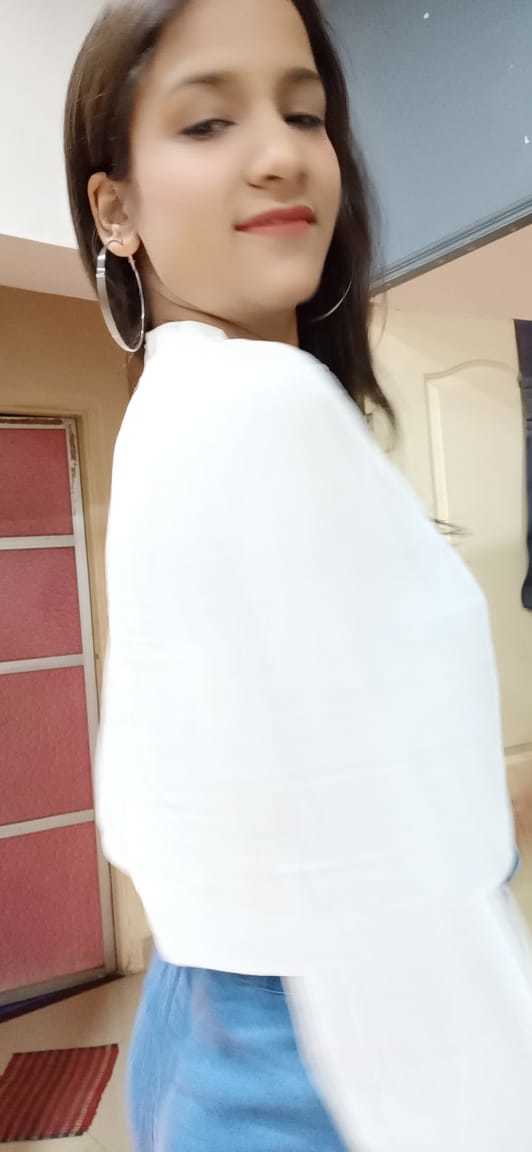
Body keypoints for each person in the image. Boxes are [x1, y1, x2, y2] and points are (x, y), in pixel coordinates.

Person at [63, 1, 532, 1148]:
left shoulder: (169, 406)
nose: (280, 153)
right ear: (114, 207)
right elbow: (401, 894)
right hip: (324, 1055)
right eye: (207, 122)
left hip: (196, 1018)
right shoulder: (262, 404)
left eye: (305, 112)